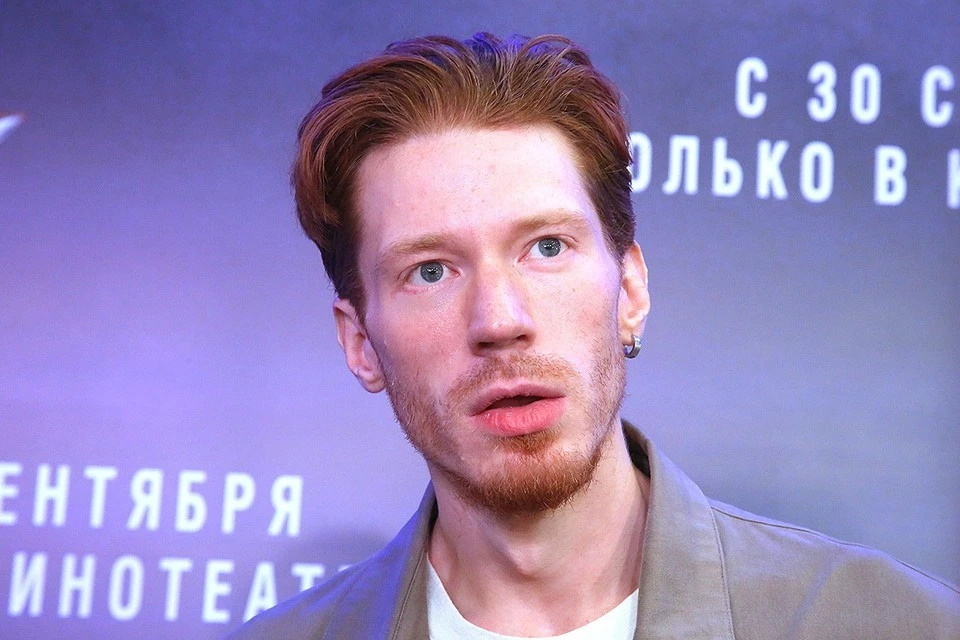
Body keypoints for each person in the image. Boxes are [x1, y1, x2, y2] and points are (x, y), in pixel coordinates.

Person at [229, 33, 959, 639]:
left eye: (546, 247)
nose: (500, 321)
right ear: (360, 342)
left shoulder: (891, 624)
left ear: (631, 291)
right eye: (430, 271)